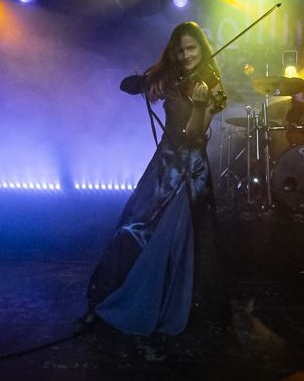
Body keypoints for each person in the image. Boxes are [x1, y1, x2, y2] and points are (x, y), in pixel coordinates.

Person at [78, 21, 230, 336]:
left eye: (192, 48)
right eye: (181, 50)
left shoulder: (212, 85)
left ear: (202, 49)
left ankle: (166, 304)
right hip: (164, 164)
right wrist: (146, 82)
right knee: (131, 228)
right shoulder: (172, 76)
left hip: (190, 171)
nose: (187, 55)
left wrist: (200, 106)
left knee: (180, 239)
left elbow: (194, 136)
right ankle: (107, 301)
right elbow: (126, 86)